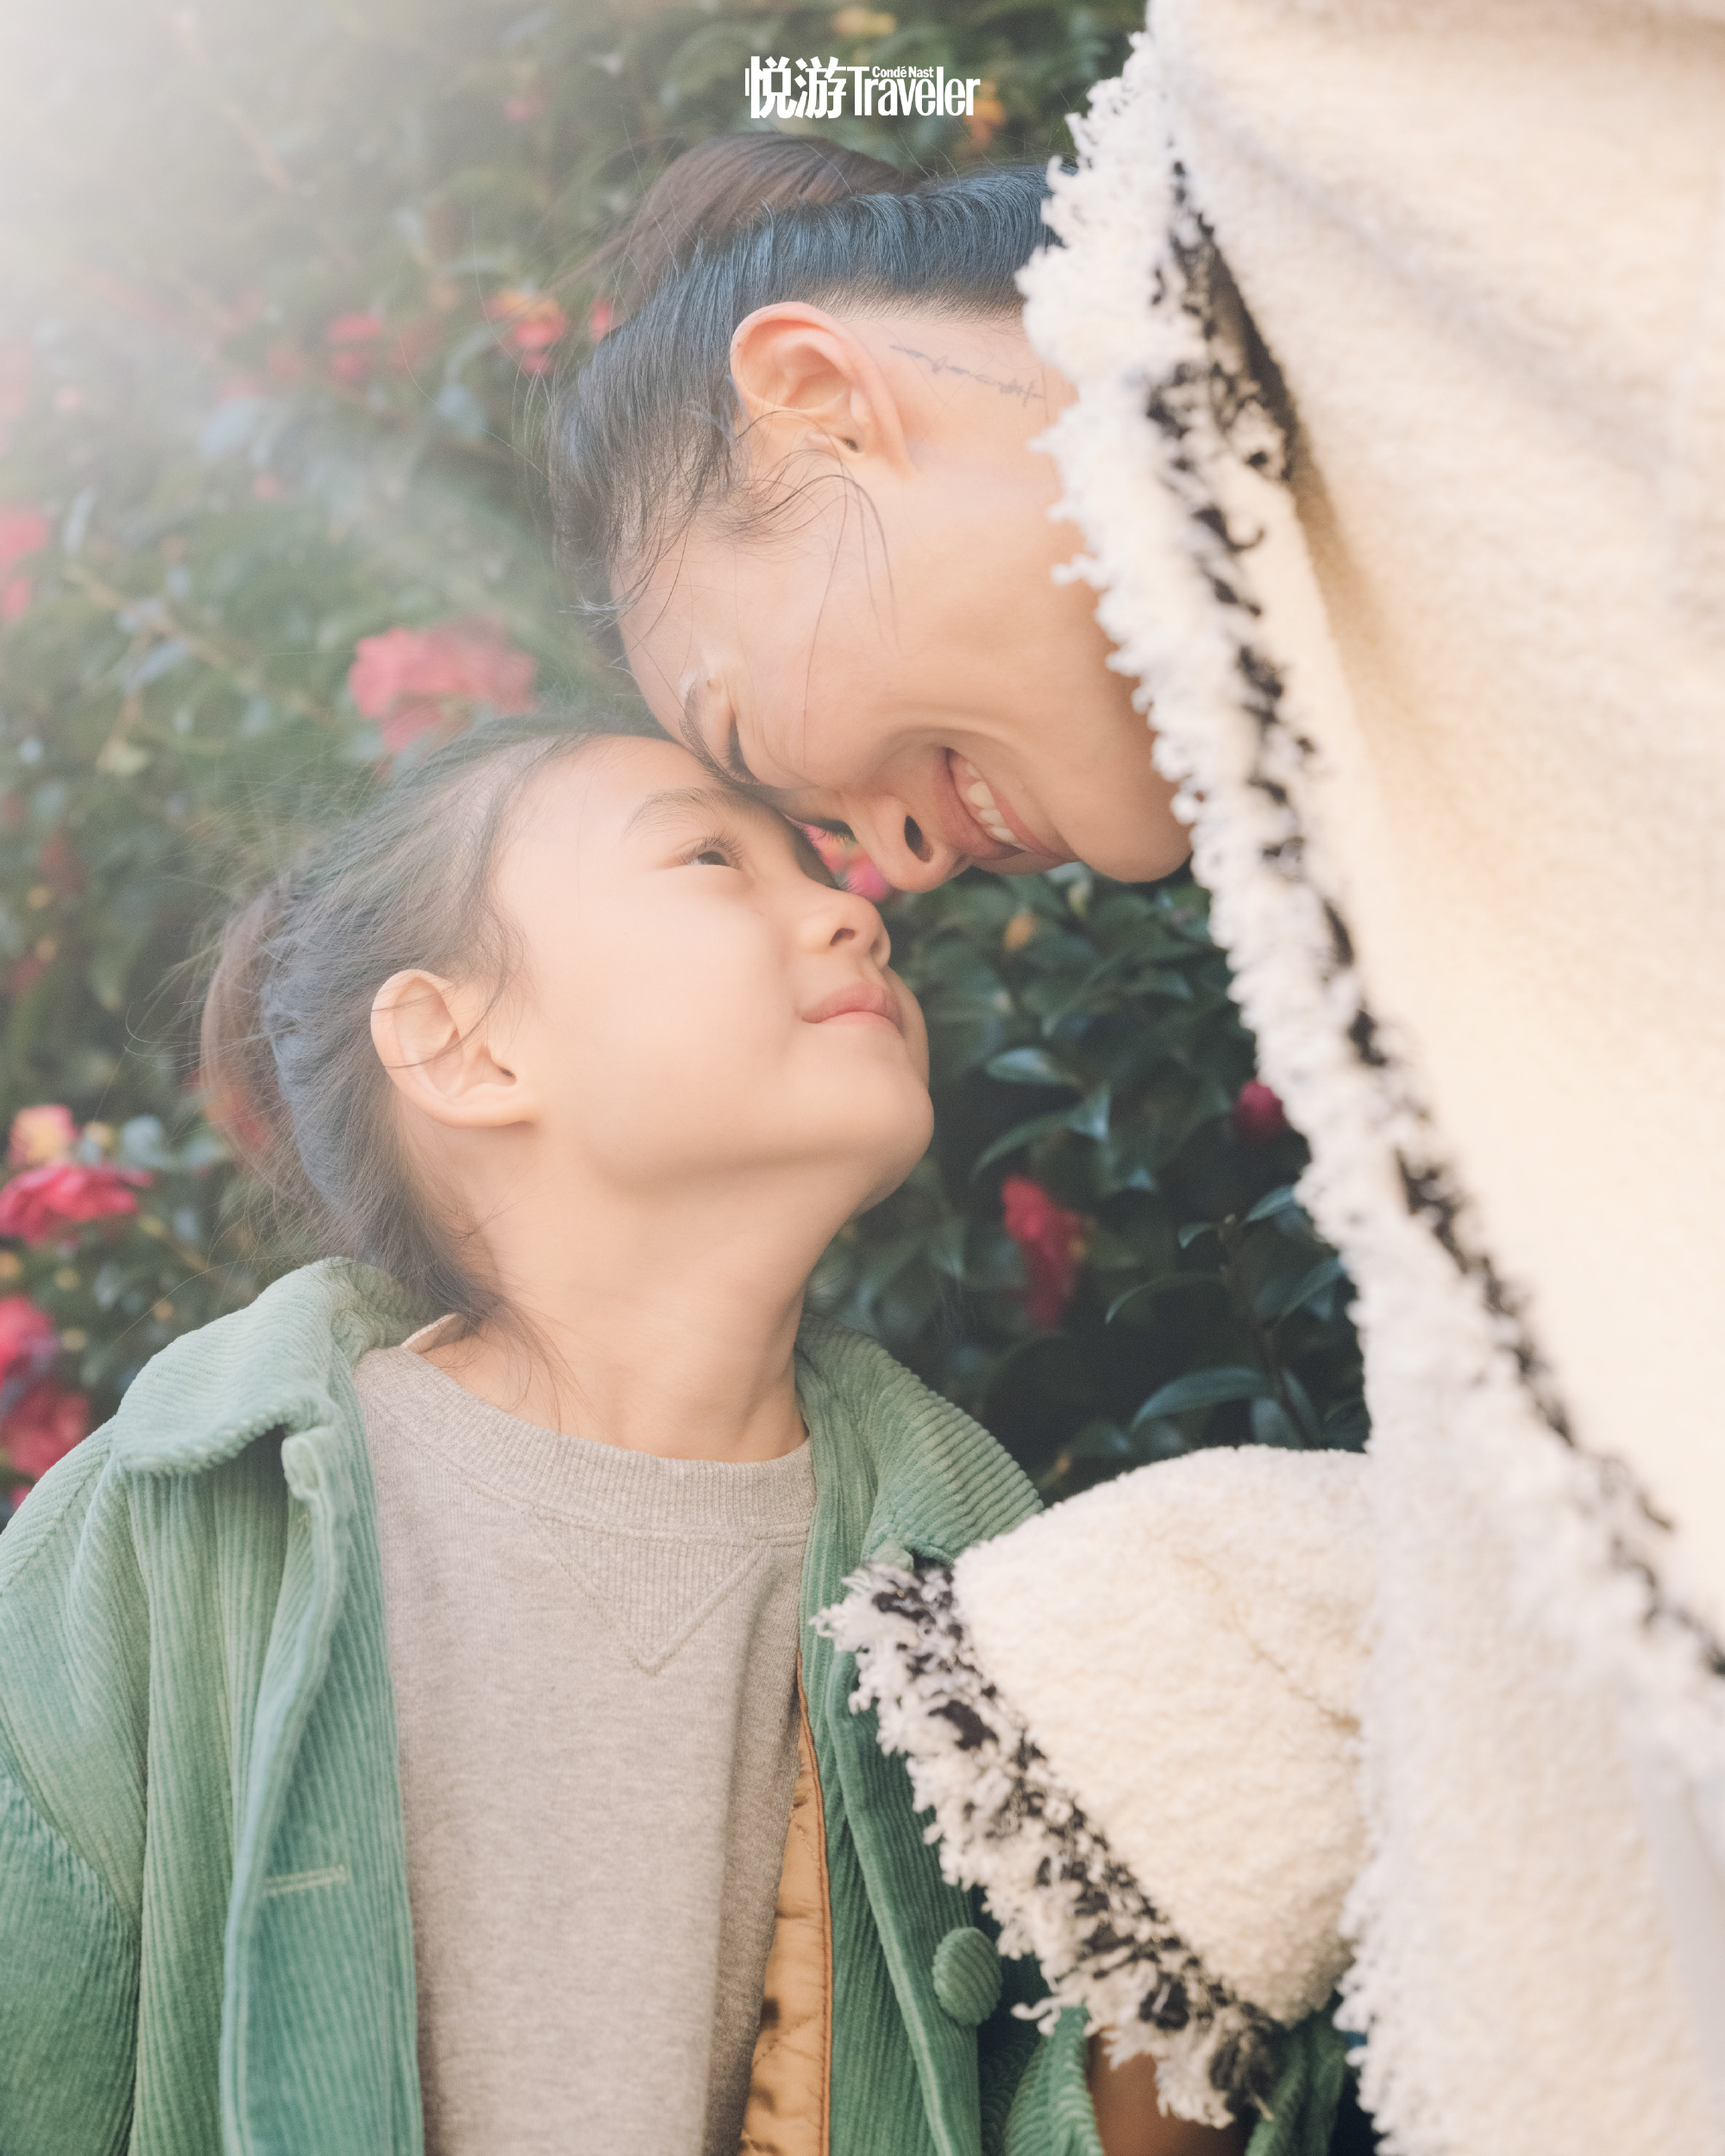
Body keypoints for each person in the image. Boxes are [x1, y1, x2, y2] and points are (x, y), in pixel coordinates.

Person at [552, 40, 1725, 2150]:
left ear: (819, 397)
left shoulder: (1338, 118)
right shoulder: (1369, 832)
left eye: (761, 745)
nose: (881, 864)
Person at [0, 711, 1341, 2156]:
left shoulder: (977, 1585)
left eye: (819, 867)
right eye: (712, 855)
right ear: (462, 1047)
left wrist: (1214, 1883)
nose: (850, 911)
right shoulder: (173, 1529)